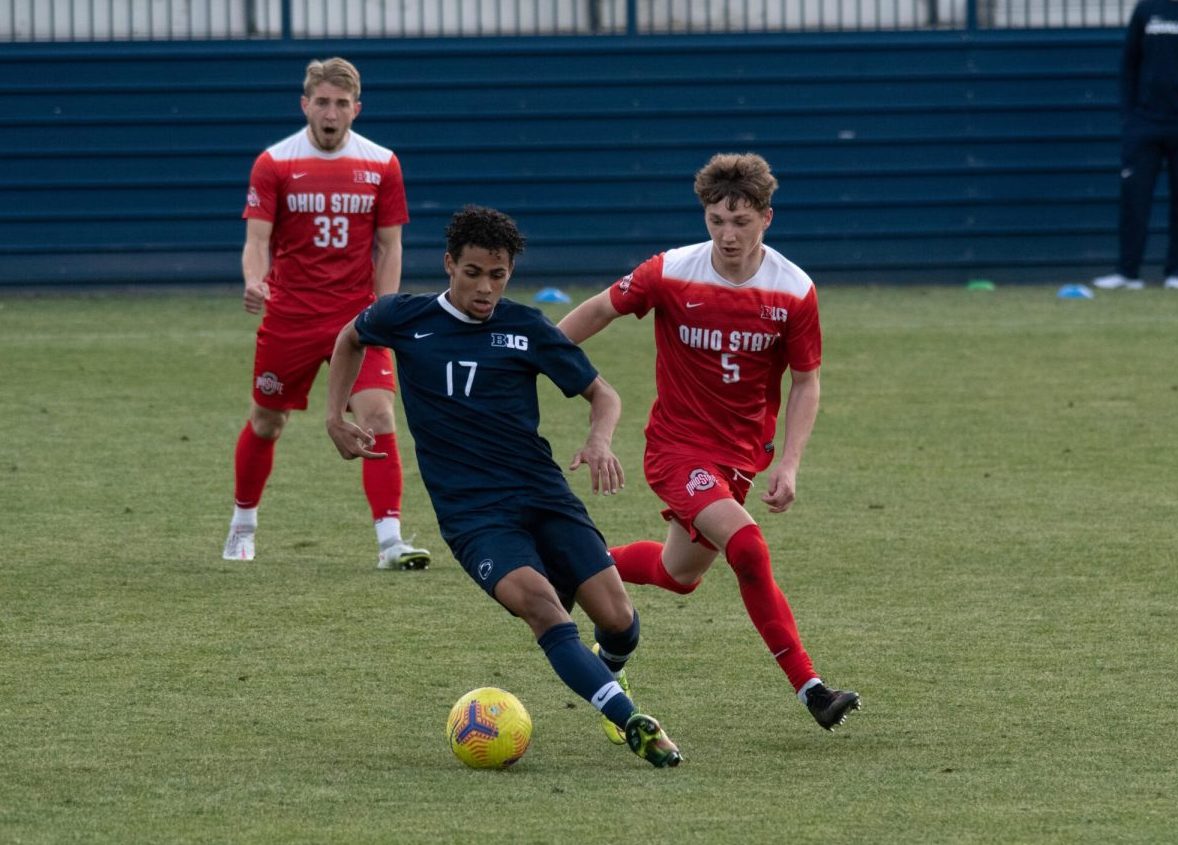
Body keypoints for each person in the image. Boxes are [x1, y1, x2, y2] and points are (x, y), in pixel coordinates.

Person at [324, 205, 683, 767]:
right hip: (474, 516)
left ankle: (604, 676)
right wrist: (334, 414)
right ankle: (630, 720)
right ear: (449, 264)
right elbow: (350, 337)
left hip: (542, 493)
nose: (485, 288)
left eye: (498, 275)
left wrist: (600, 441)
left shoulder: (526, 328)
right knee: (544, 608)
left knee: (619, 621)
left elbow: (604, 395)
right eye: (473, 273)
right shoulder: (404, 317)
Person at [558, 152, 861, 733]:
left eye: (740, 222)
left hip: (741, 456)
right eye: (716, 220)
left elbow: (806, 382)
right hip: (678, 448)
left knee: (679, 574)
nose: (727, 234)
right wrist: (527, 356)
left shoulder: (794, 290)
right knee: (747, 546)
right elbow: (599, 309)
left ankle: (570, 565)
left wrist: (790, 464)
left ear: (766, 219)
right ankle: (811, 688)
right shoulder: (671, 271)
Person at [222, 57, 429, 569]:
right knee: (268, 422)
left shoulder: (382, 164)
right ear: (305, 105)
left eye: (341, 103)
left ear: (356, 108)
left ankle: (390, 541)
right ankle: (242, 525)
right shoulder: (275, 162)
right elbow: (257, 241)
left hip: (356, 320)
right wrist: (254, 280)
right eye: (322, 102)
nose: (331, 112)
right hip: (290, 317)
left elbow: (390, 247)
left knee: (379, 415)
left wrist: (384, 308)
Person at [1092, 0, 1178, 291]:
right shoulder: (1146, 9)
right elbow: (1130, 62)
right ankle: (1128, 272)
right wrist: (1129, 115)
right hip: (1145, 122)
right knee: (1134, 199)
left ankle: (1176, 272)